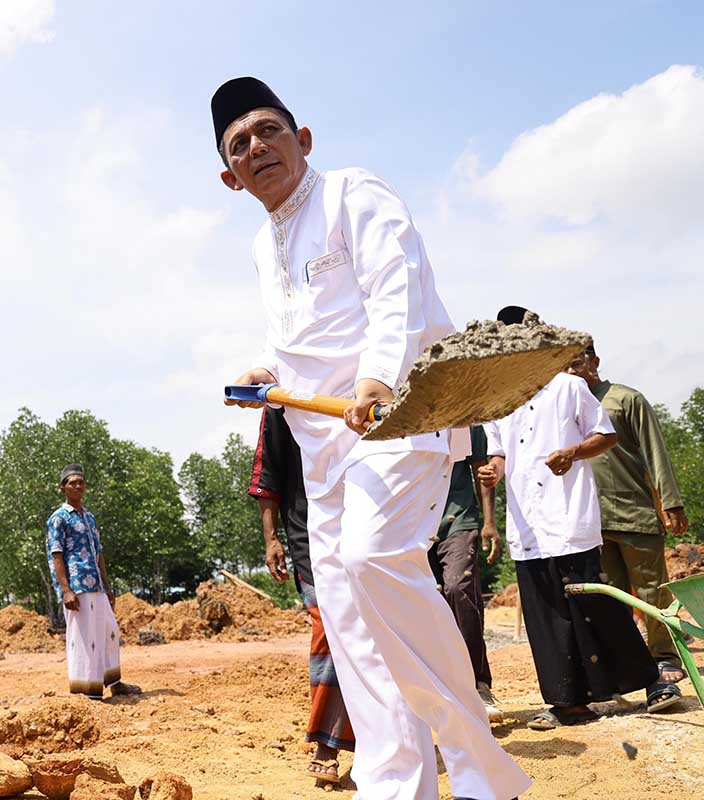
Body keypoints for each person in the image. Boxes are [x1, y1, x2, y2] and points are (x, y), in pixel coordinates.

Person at [213, 76, 529, 799]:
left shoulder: (353, 192)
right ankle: (396, 785)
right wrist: (268, 369)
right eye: (240, 145)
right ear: (229, 178)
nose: (257, 146)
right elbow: (298, 332)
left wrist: (379, 378)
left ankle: (485, 778)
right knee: (350, 617)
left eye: (269, 130)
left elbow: (398, 289)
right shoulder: (266, 246)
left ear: (304, 140)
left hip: (392, 423)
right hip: (321, 450)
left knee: (371, 556)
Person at [478, 306, 658, 731]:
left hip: (569, 515)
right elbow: (499, 454)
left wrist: (573, 452)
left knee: (591, 604)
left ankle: (649, 682)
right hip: (526, 522)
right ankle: (566, 703)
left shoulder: (569, 387)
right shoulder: (498, 400)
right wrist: (494, 471)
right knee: (544, 614)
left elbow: (606, 435)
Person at [567, 340, 690, 711]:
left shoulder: (624, 399)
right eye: (566, 365)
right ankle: (627, 667)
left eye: (579, 362)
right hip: (590, 519)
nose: (573, 370)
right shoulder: (566, 408)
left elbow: (656, 451)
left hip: (633, 512)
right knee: (611, 597)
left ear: (595, 361)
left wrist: (671, 501)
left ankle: (665, 656)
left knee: (652, 590)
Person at [249, 406, 354, 788]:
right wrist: (270, 537)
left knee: (378, 635)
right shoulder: (282, 399)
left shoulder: (367, 377)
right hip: (307, 533)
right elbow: (268, 471)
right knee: (327, 629)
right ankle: (327, 744)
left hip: (369, 525)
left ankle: (385, 742)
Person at [45, 464, 141, 700]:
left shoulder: (89, 517)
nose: (78, 486)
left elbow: (99, 554)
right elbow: (56, 554)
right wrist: (66, 590)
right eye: (72, 482)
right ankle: (85, 692)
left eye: (81, 482)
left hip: (96, 585)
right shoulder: (59, 519)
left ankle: (114, 682)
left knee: (109, 631)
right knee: (84, 638)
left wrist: (108, 587)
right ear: (63, 488)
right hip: (77, 587)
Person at [429, 425, 504, 722]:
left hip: (458, 518)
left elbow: (481, 471)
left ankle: (478, 684)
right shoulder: (403, 416)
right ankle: (437, 690)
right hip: (416, 522)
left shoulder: (466, 420)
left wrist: (489, 522)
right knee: (423, 602)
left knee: (458, 588)